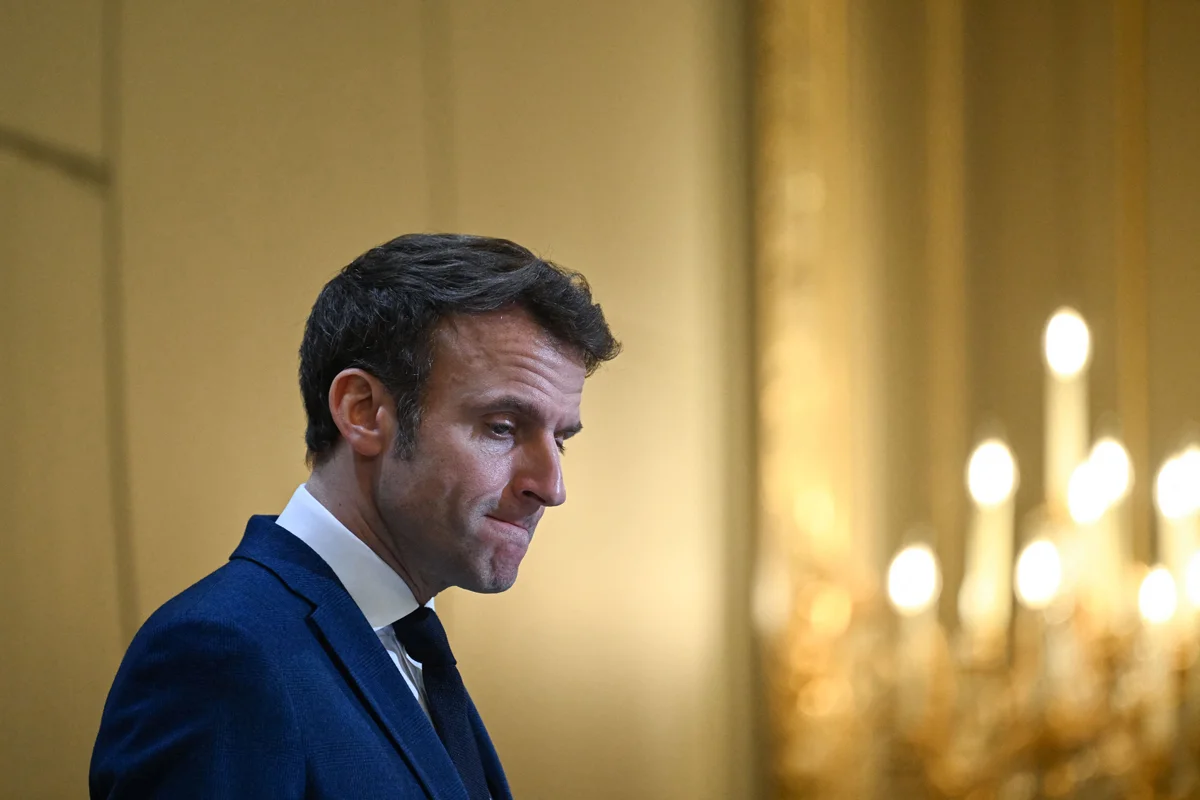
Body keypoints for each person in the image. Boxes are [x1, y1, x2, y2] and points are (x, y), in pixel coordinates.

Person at [90, 233, 621, 799]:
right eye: (502, 428)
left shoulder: (405, 639)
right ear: (362, 412)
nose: (551, 487)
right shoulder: (221, 654)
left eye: (560, 439)